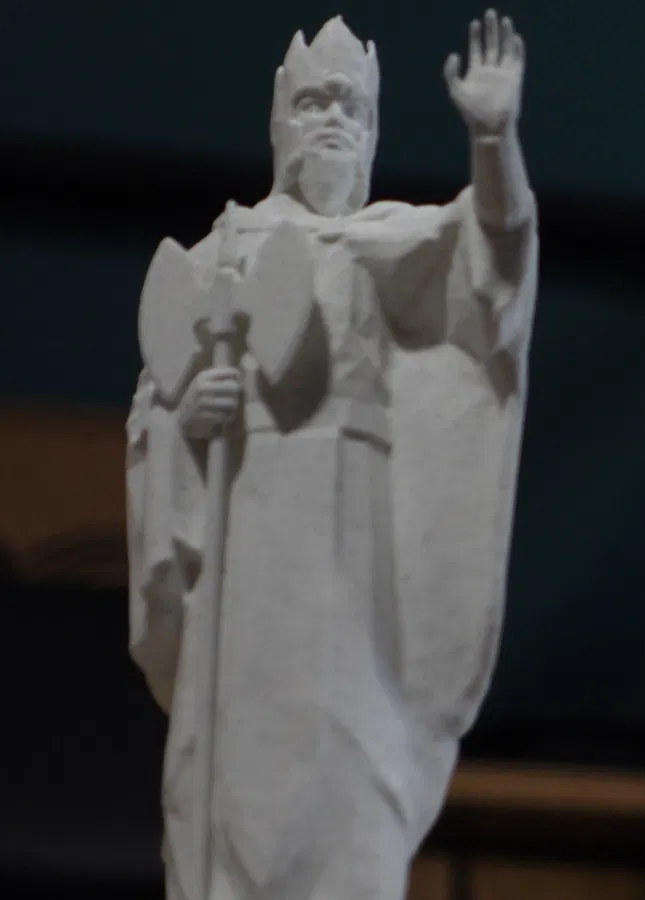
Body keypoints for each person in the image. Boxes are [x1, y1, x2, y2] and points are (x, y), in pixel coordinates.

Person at [125, 12, 538, 899]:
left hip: (352, 587)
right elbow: (157, 408)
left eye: (352, 105)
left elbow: (495, 276)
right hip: (243, 580)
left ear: (375, 128)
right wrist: (188, 423)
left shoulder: (393, 246)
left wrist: (493, 140)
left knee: (354, 799)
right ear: (281, 121)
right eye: (314, 102)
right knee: (227, 800)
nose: (333, 120)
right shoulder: (220, 256)